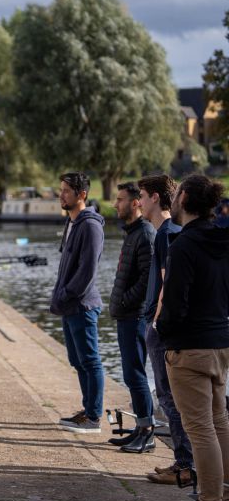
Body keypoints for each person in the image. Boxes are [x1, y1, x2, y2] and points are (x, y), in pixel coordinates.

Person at [157, 175, 229, 501]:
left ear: (183, 197)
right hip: (219, 342)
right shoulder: (223, 240)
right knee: (220, 423)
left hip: (189, 348)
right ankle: (224, 493)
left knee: (200, 429)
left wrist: (164, 332)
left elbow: (173, 302)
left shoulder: (183, 246)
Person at [139, 174, 193, 485]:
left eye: (143, 196)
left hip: (161, 329)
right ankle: (183, 462)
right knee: (171, 397)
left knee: (169, 397)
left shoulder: (164, 234)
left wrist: (156, 324)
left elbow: (166, 283)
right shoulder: (171, 232)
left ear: (156, 198)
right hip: (163, 325)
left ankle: (184, 466)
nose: (140, 202)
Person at [52, 172, 106, 434]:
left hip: (82, 305)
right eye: (61, 190)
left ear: (81, 194)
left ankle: (94, 417)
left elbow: (87, 271)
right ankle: (87, 410)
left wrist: (65, 294)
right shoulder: (72, 222)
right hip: (69, 305)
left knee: (90, 360)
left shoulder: (91, 226)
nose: (61, 195)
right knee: (77, 360)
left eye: (66, 191)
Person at [107, 182, 155, 453]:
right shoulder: (133, 232)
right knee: (130, 374)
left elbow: (148, 278)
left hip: (134, 316)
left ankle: (147, 432)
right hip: (126, 315)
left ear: (136, 202)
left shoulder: (145, 233)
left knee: (135, 374)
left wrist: (126, 301)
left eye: (121, 199)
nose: (116, 204)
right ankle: (140, 427)